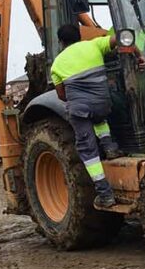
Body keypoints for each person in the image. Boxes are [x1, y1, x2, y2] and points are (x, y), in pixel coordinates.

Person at [50, 25, 128, 208]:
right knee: (99, 117)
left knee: (88, 150)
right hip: (103, 104)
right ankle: (111, 148)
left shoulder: (57, 64)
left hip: (79, 109)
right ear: (79, 36)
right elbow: (122, 36)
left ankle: (105, 194)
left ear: (61, 42)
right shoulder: (94, 45)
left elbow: (62, 95)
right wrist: (138, 53)